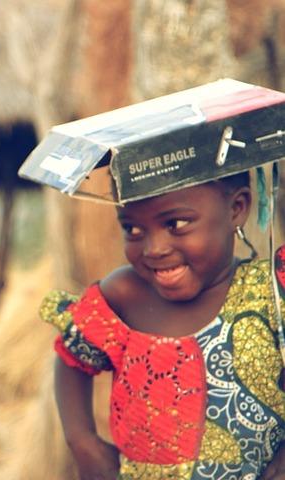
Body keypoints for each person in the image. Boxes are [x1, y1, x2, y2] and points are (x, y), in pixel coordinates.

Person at [40, 171, 285, 479]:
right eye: (133, 228)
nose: (154, 248)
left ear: (237, 208)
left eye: (176, 224)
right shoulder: (124, 297)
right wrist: (82, 441)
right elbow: (72, 355)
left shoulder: (272, 293)